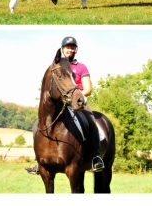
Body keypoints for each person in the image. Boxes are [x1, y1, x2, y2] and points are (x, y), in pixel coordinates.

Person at [27, 37, 105, 174]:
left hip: (77, 100)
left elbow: (88, 89)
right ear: (62, 49)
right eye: (68, 47)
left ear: (76, 50)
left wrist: (77, 96)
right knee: (38, 125)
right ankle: (39, 161)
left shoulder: (81, 67)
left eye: (73, 47)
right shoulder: (57, 66)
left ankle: (96, 157)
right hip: (60, 101)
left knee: (91, 121)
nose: (70, 49)